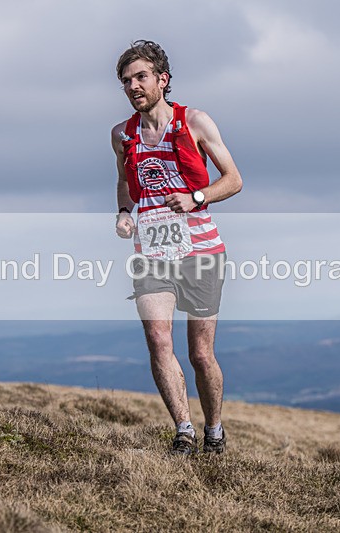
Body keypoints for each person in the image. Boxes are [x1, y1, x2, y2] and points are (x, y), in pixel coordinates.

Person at [111, 40, 243, 455]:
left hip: (201, 251)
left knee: (201, 354)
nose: (133, 86)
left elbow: (234, 179)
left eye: (141, 77)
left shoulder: (196, 122)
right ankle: (183, 431)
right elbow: (123, 181)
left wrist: (197, 197)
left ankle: (214, 433)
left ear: (162, 80)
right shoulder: (122, 135)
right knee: (158, 341)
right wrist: (123, 211)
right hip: (151, 252)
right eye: (126, 81)